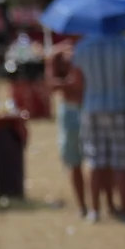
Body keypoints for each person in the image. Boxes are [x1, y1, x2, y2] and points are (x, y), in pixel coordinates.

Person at [70, 31, 125, 222]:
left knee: (95, 160)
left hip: (92, 108)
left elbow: (78, 82)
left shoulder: (83, 47)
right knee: (120, 162)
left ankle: (94, 210)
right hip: (120, 106)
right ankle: (124, 210)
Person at [46, 39, 87, 219]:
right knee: (75, 161)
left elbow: (77, 84)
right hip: (73, 110)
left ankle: (94, 206)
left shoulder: (86, 50)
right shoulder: (60, 54)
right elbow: (51, 85)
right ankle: (84, 206)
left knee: (97, 163)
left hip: (86, 109)